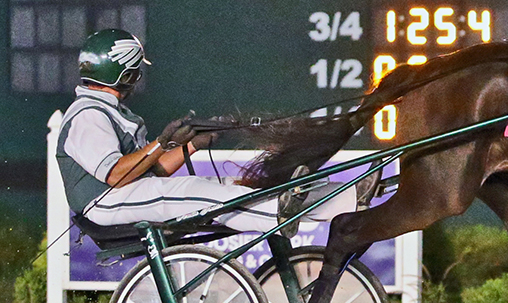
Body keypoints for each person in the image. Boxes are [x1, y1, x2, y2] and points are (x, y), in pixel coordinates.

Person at [55, 29, 353, 237]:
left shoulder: (113, 112)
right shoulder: (88, 114)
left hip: (127, 194)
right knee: (192, 193)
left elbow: (153, 171)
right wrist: (161, 142)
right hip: (105, 203)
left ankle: (341, 198)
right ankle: (276, 215)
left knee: (227, 183)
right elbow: (115, 175)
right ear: (126, 74)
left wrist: (191, 146)